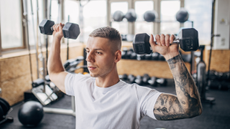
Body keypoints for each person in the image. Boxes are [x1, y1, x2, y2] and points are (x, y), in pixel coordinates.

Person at [48, 23, 202, 129]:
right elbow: (55, 72)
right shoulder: (81, 83)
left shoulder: (136, 96)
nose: (89, 58)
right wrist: (56, 38)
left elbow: (190, 109)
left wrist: (172, 56)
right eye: (88, 51)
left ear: (117, 56)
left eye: (98, 52)